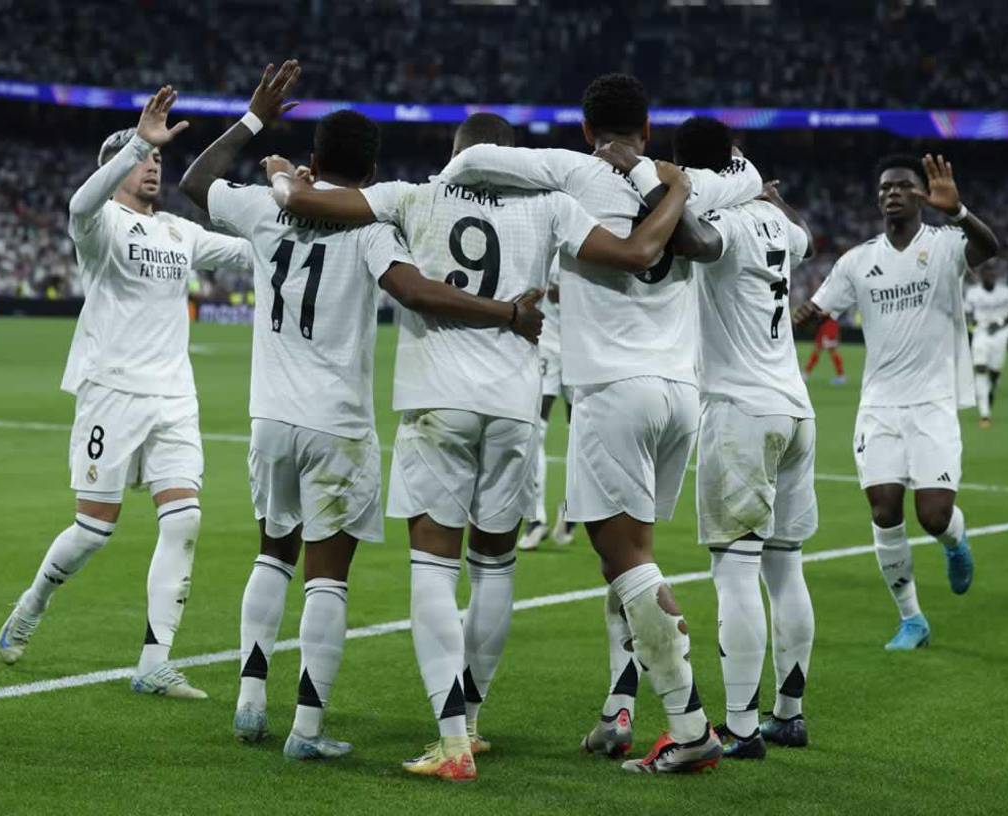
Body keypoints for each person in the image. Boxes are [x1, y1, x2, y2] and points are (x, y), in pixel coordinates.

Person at [269, 109, 693, 780]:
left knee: (434, 570)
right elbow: (639, 253)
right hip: (516, 405)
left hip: (439, 399)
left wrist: (279, 171)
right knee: (494, 567)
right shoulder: (551, 205)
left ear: (457, 152)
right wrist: (678, 190)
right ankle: (471, 722)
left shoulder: (414, 195)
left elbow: (302, 200)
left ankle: (451, 744)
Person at [180, 67, 552, 766]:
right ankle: (307, 727)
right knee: (327, 578)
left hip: (268, 418)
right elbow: (415, 291)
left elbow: (195, 181)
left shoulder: (262, 208)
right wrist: (506, 313)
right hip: (338, 424)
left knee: (272, 552)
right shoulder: (373, 227)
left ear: (313, 160)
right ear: (373, 174)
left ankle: (250, 698)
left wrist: (255, 121)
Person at [440, 73, 763, 774]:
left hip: (614, 392)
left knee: (630, 561)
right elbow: (752, 175)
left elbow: (472, 159)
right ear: (647, 129)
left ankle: (690, 727)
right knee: (626, 556)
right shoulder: (689, 182)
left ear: (588, 131)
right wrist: (669, 175)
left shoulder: (571, 169)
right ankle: (619, 707)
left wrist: (467, 177)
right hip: (681, 394)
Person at [0, 86, 254, 700]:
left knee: (185, 519)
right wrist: (137, 141)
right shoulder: (100, 226)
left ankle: (154, 662)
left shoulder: (178, 232)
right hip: (112, 392)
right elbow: (79, 202)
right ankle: (33, 602)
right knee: (93, 529)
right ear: (118, 165)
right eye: (144, 158)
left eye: (159, 158)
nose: (153, 166)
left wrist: (294, 218)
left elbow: (251, 253)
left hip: (174, 398)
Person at [600, 117, 820, 759]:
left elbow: (693, 239)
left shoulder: (722, 220)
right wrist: (763, 187)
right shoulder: (776, 219)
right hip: (796, 409)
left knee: (736, 570)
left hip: (741, 409)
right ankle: (789, 714)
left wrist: (650, 178)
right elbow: (805, 236)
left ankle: (743, 728)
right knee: (786, 567)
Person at [794, 154, 999, 650]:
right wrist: (792, 313)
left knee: (933, 516)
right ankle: (912, 620)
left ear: (922, 195)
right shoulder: (858, 261)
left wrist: (959, 212)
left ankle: (954, 541)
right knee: (884, 511)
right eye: (885, 187)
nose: (892, 193)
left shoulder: (946, 245)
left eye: (904, 185)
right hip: (879, 405)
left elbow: (988, 248)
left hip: (932, 402)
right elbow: (817, 308)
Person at [518, 275, 577, 551]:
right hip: (547, 344)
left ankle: (572, 508)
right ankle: (536, 517)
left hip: (583, 351)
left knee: (581, 437)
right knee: (535, 432)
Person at [964, 266, 1008, 427]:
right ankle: (985, 413)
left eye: (993, 274)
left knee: (994, 371)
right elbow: (967, 312)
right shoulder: (973, 293)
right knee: (980, 368)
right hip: (981, 333)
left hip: (1001, 334)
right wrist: (972, 321)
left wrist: (1000, 323)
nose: (990, 277)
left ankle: (992, 387)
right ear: (982, 276)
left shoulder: (1005, 292)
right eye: (987, 274)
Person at [804, 316, 846, 385]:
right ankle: (806, 374)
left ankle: (841, 376)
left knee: (830, 350)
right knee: (819, 350)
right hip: (825, 324)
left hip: (829, 324)